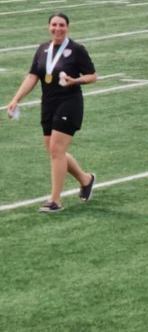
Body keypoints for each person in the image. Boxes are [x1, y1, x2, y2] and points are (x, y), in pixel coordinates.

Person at [5, 13, 97, 212]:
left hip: (70, 103)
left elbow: (92, 76)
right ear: (48, 27)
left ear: (68, 27)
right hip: (48, 104)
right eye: (54, 25)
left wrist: (76, 80)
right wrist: (16, 99)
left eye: (62, 25)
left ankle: (55, 200)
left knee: (56, 150)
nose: (58, 28)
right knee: (55, 151)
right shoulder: (43, 49)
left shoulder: (76, 49)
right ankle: (85, 179)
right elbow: (33, 76)